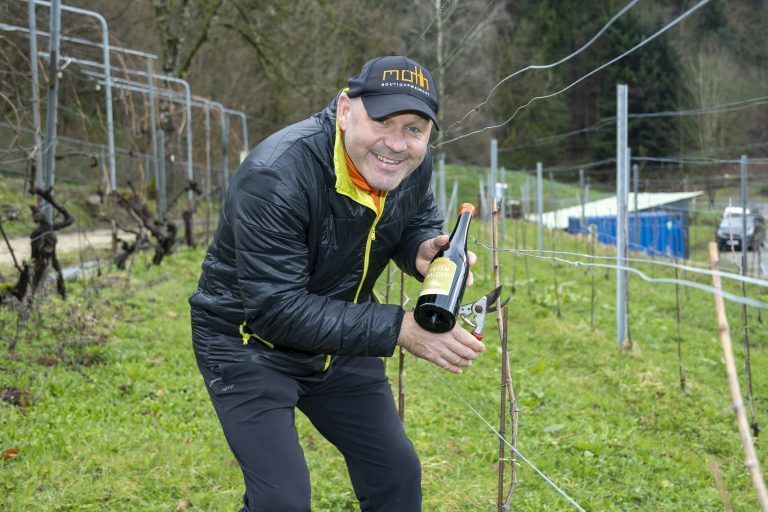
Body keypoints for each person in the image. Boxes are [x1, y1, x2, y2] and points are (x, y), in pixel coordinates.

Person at [189, 55, 485, 512]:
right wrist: (399, 328)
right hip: (248, 341)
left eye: (414, 128)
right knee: (282, 501)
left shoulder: (410, 166)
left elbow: (415, 219)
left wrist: (421, 247)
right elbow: (276, 309)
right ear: (345, 110)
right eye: (382, 120)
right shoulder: (277, 175)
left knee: (397, 475)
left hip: (339, 338)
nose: (396, 142)